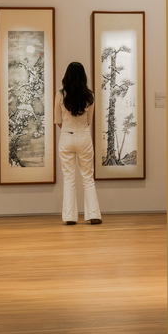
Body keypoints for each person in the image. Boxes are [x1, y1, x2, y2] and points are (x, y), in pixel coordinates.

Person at [55, 61, 101, 226]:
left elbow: (58, 120)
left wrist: (68, 129)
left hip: (66, 137)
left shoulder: (60, 95)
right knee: (88, 177)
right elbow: (89, 121)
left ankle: (69, 217)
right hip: (84, 137)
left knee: (69, 179)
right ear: (83, 77)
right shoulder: (90, 96)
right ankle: (94, 214)